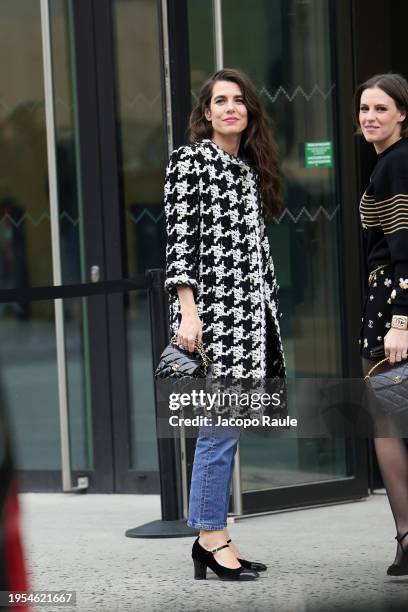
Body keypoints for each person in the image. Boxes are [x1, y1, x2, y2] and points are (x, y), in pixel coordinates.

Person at [163, 68, 285, 581]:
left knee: (227, 430)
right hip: (210, 320)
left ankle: (214, 535)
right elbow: (179, 241)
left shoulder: (248, 169)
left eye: (239, 101)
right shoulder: (190, 160)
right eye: (220, 100)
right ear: (206, 112)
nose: (231, 107)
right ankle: (211, 538)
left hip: (248, 320)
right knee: (218, 431)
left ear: (249, 112)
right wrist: (188, 311)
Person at [355, 73, 408, 575]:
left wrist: (400, 321)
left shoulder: (397, 163)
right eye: (365, 109)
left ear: (402, 115)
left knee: (388, 424)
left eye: (381, 108)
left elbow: (405, 248)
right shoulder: (387, 163)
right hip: (388, 303)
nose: (370, 117)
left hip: (394, 306)